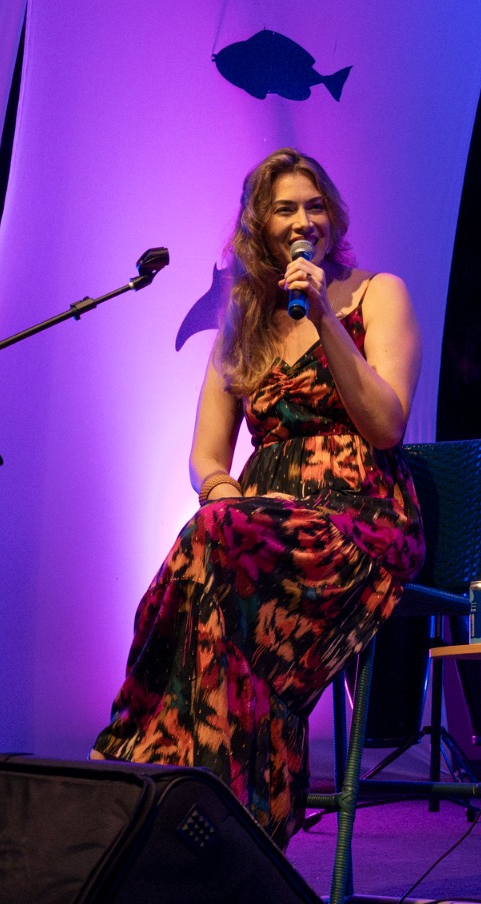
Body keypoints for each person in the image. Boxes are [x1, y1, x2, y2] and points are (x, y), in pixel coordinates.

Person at [92, 148, 424, 846]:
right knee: (211, 570)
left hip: (359, 522)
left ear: (333, 215)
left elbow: (387, 425)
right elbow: (207, 456)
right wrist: (226, 499)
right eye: (286, 209)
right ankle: (203, 823)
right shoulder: (241, 323)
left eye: (315, 206)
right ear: (258, 226)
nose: (305, 221)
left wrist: (327, 322)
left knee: (212, 551)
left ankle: (182, 787)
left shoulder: (376, 294)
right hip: (258, 531)